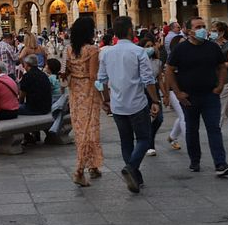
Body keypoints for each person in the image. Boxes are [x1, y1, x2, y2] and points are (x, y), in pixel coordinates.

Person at [96, 16, 161, 193]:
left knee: (126, 141)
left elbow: (100, 80)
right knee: (144, 138)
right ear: (130, 31)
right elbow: (148, 80)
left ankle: (135, 177)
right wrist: (155, 100)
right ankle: (131, 168)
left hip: (117, 105)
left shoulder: (106, 53)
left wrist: (106, 100)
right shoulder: (138, 51)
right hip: (137, 103)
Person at [166, 17, 228, 177]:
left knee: (214, 128)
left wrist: (220, 86)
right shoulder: (181, 49)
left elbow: (221, 66)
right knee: (191, 129)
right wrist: (177, 93)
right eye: (198, 27)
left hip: (210, 95)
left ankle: (220, 163)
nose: (202, 29)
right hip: (189, 97)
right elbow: (169, 70)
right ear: (189, 31)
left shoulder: (212, 47)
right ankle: (194, 160)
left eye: (203, 26)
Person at [63, 16, 103, 187]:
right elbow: (94, 76)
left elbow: (65, 72)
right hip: (89, 92)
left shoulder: (68, 50)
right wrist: (104, 96)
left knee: (81, 130)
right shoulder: (93, 50)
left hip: (75, 92)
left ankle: (93, 166)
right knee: (90, 129)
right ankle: (79, 170)